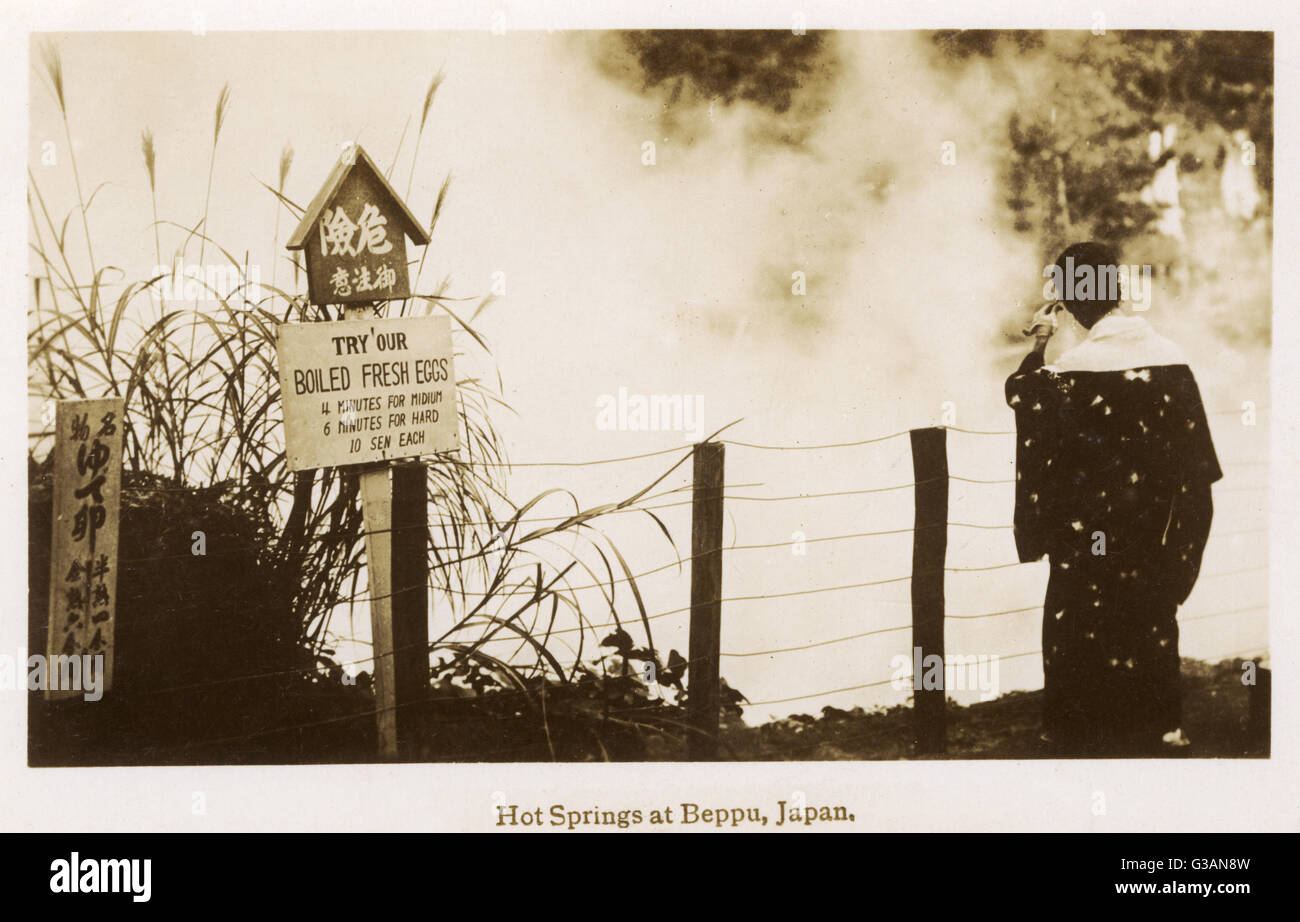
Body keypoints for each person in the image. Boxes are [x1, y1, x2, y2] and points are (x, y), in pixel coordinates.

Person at [1005, 242, 1222, 756]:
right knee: (1150, 625)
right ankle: (1164, 729)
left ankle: (1071, 733)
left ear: (1069, 303)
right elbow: (1196, 478)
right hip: (1150, 540)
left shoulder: (1067, 375)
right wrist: (1183, 556)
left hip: (1083, 545)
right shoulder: (1173, 364)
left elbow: (1020, 393)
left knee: (1076, 627)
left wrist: (1041, 339)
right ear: (1118, 292)